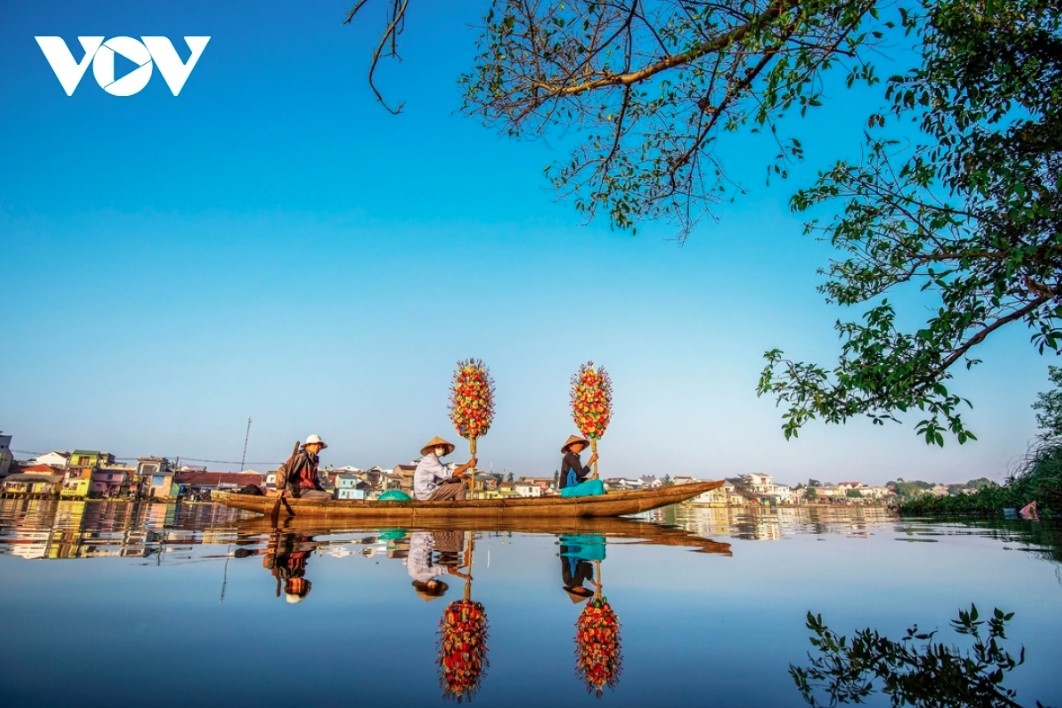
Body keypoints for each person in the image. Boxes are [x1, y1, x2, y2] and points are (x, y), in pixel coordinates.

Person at [406, 529, 470, 601]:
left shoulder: (418, 575)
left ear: (424, 587)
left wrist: (462, 573)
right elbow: (447, 570)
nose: (433, 587)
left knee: (453, 546)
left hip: (423, 536)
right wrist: (462, 568)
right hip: (423, 537)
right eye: (435, 589)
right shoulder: (421, 575)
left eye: (430, 589)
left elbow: (446, 570)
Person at [413, 436, 476, 501]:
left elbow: (450, 474)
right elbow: (448, 474)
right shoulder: (430, 459)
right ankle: (460, 509)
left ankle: (453, 504)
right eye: (438, 447)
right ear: (433, 448)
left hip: (428, 491)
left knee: (455, 480)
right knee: (460, 487)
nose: (441, 449)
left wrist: (467, 478)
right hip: (426, 493)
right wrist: (468, 465)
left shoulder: (434, 460)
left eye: (442, 447)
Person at [262, 532, 317, 604]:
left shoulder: (281, 572)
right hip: (302, 535)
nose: (298, 584)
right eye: (300, 587)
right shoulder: (301, 567)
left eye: (294, 586)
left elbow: (267, 563)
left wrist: (270, 562)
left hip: (289, 536)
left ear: (288, 586)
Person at [286, 433, 331, 499]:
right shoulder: (301, 457)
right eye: (315, 445)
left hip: (310, 490)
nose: (317, 447)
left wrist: (322, 490)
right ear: (308, 445)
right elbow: (288, 474)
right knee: (329, 497)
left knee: (329, 495)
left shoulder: (313, 461)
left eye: (319, 446)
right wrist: (292, 490)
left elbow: (315, 482)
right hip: (301, 491)